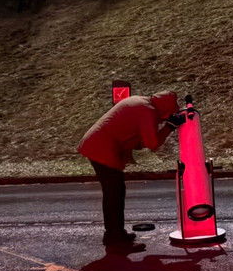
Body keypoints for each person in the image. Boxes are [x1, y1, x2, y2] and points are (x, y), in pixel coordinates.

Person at [77, 91, 182, 252]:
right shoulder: (148, 111)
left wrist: (163, 125)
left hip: (97, 145)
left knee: (114, 193)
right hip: (102, 149)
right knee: (114, 194)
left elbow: (139, 142)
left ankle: (115, 234)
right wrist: (169, 127)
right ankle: (115, 240)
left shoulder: (141, 102)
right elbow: (152, 143)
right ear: (167, 108)